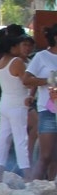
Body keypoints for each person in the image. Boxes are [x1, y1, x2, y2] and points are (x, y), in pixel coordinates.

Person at [0, 26, 38, 177]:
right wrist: (43, 81)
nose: (21, 48)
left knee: (3, 138)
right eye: (18, 45)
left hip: (4, 103)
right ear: (12, 47)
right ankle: (27, 174)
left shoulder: (2, 62)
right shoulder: (17, 62)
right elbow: (27, 81)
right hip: (18, 105)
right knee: (20, 140)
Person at [28, 25, 57, 181]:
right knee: (45, 155)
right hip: (48, 110)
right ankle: (32, 189)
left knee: (55, 157)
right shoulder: (41, 57)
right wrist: (47, 81)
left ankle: (51, 192)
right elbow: (27, 79)